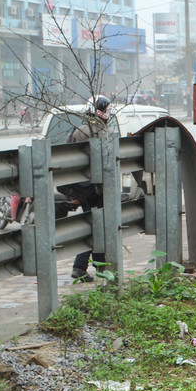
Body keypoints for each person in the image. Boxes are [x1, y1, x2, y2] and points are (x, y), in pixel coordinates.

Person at [63, 95, 111, 282]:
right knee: (97, 227)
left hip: (81, 189)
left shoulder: (77, 131)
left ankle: (96, 265)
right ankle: (82, 266)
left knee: (93, 225)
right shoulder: (102, 132)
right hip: (96, 189)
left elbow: (67, 158)